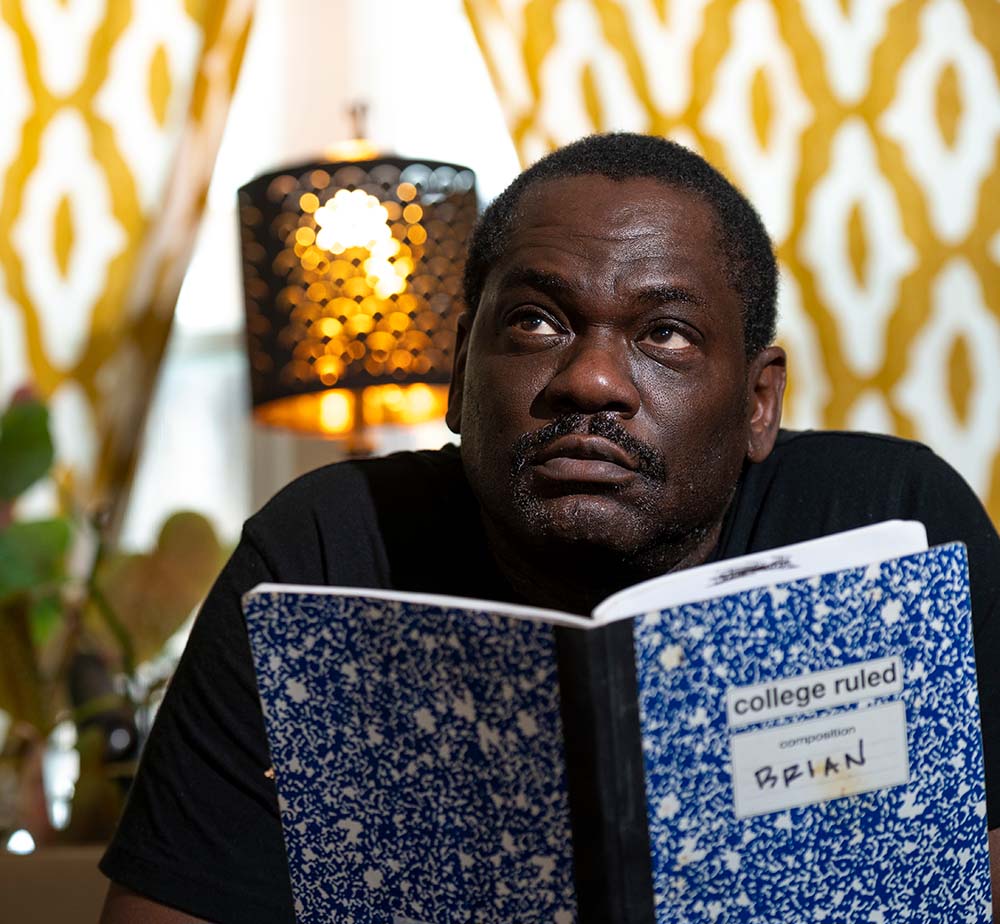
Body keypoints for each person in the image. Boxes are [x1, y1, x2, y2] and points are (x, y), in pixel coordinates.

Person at [99, 133, 1000, 923]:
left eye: (667, 335)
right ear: (457, 373)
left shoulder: (894, 525)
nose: (593, 380)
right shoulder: (327, 554)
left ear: (760, 402)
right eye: (536, 321)